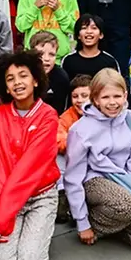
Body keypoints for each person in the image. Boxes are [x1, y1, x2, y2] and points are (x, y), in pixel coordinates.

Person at [63, 69, 131, 251]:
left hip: (125, 181)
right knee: (127, 205)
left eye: (117, 96)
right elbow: (73, 178)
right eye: (105, 97)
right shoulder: (81, 130)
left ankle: (118, 222)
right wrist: (82, 223)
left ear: (125, 95)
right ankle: (91, 219)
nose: (112, 103)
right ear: (95, 99)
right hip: (95, 180)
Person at [0, 51, 60, 260]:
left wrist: (2, 217)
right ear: (5, 87)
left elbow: (30, 166)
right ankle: (19, 231)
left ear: (35, 80)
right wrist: (2, 212)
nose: (17, 82)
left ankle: (38, 228)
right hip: (10, 196)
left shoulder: (48, 115)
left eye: (23, 75)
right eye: (10, 79)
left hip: (41, 195)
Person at [56, 74, 92, 223]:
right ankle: (62, 194)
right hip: (72, 157)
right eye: (75, 96)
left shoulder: (99, 114)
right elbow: (58, 138)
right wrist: (75, 146)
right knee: (57, 158)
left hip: (92, 161)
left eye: (85, 96)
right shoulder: (67, 117)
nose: (80, 100)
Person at [61, 14, 120, 80]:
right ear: (78, 35)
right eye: (84, 28)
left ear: (101, 35)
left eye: (94, 28)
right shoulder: (68, 60)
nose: (89, 32)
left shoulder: (110, 61)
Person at [31, 31, 71, 115]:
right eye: (41, 54)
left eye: (52, 54)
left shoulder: (61, 78)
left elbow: (59, 111)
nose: (46, 59)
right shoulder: (24, 74)